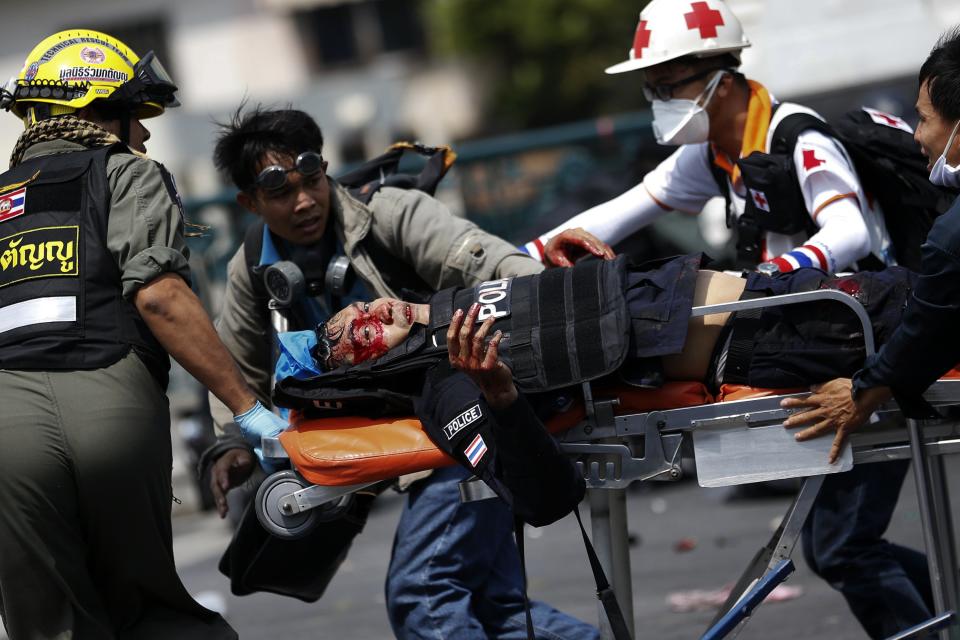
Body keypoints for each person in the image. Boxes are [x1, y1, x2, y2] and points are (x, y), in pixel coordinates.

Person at [204, 105, 599, 639]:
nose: (303, 202)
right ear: (248, 202)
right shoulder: (251, 266)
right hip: (412, 435)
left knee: (424, 595)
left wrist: (555, 291)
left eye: (312, 180)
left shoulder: (392, 214)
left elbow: (492, 267)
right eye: (279, 193)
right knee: (493, 605)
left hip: (467, 418)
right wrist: (230, 441)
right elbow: (234, 362)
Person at [0, 30, 290, 640]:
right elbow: (159, 297)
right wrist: (250, 410)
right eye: (139, 115)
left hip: (5, 437)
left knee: (48, 627)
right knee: (152, 616)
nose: (147, 133)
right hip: (108, 408)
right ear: (102, 112)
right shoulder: (127, 173)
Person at [782, 29, 960, 636]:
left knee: (841, 547)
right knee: (838, 548)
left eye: (927, 119)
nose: (918, 137)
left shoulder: (952, 239)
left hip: (863, 352)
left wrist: (863, 390)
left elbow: (931, 328)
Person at [524, 0, 892, 277]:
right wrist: (511, 262)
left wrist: (770, 274)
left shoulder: (797, 137)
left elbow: (851, 232)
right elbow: (615, 215)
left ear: (722, 85)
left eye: (667, 88)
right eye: (652, 91)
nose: (659, 103)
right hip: (785, 313)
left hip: (853, 311)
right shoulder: (707, 153)